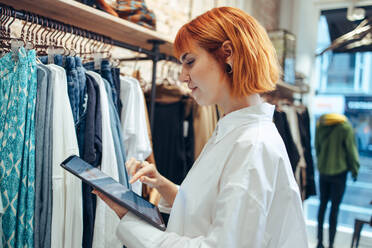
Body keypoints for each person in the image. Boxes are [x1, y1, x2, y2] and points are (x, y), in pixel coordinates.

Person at [94, 7, 308, 247]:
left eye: (190, 62)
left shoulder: (252, 144)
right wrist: (166, 188)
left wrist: (128, 220)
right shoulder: (234, 130)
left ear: (228, 54)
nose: (182, 77)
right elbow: (214, 212)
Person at [315, 113, 360, 248]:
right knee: (334, 210)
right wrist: (354, 170)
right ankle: (331, 244)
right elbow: (351, 151)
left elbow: (317, 147)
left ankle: (319, 242)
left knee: (322, 206)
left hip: (323, 172)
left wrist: (322, 161)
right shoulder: (345, 128)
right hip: (339, 173)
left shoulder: (320, 125)